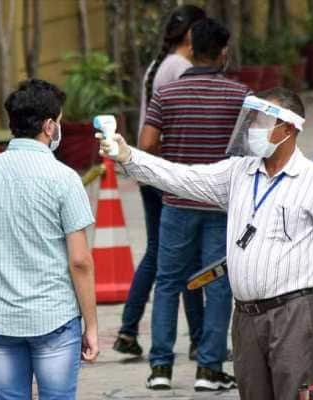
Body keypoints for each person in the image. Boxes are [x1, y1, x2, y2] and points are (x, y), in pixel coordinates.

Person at [97, 87, 313, 400]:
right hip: (246, 317)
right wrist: (129, 157)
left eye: (261, 121)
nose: (252, 128)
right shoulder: (239, 172)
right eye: (251, 120)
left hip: (293, 315)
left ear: (288, 128)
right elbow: (182, 177)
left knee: (297, 395)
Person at [0, 79, 99, 399]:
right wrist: (91, 325)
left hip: (1, 322)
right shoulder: (64, 179)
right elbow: (79, 261)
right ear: (50, 126)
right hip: (55, 318)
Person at [138, 18, 246, 391]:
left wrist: (174, 161)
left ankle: (160, 368)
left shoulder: (166, 95)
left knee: (168, 282)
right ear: (221, 53)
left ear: (191, 48)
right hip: (220, 206)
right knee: (218, 285)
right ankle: (209, 369)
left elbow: (146, 142)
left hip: (177, 201)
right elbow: (251, 149)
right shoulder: (239, 95)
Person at [114, 4, 206, 361]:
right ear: (191, 35)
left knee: (159, 252)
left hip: (151, 169)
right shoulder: (180, 68)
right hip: (167, 172)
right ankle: (198, 338)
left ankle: (128, 328)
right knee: (185, 256)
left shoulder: (158, 64)